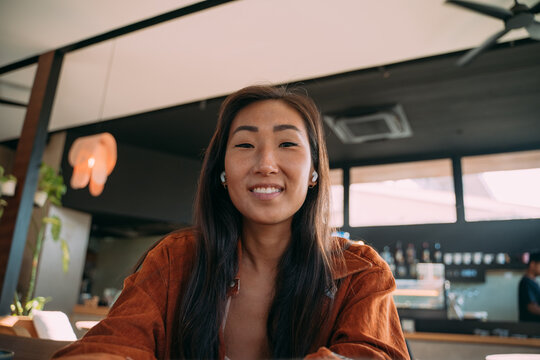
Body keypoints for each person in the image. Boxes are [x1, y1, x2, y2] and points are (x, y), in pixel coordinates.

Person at [53, 85, 409, 360]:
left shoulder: (361, 273)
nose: (266, 163)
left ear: (314, 171)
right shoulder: (175, 259)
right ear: (222, 172)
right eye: (244, 145)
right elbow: (114, 343)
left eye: (287, 143)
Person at [518, 251, 540, 322]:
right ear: (532, 264)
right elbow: (531, 307)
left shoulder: (533, 282)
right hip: (529, 328)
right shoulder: (526, 282)